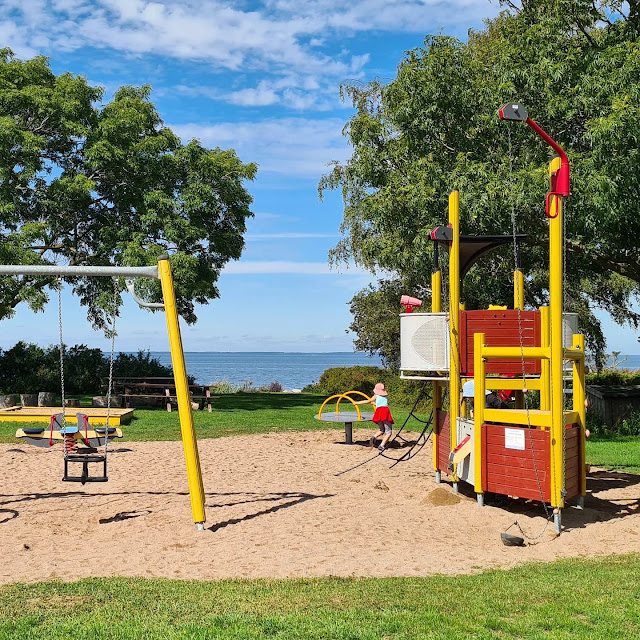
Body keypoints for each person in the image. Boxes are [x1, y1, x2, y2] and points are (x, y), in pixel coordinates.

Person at [354, 382, 394, 451]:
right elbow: (382, 405)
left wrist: (357, 402)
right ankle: (381, 445)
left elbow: (369, 401)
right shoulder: (385, 397)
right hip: (385, 413)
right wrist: (358, 402)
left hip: (379, 413)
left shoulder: (376, 396)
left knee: (382, 430)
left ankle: (374, 437)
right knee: (388, 432)